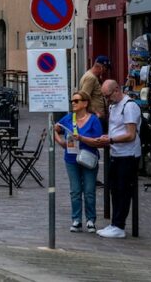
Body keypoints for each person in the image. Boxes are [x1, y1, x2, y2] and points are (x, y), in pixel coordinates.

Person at [53, 91, 104, 233]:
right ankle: (76, 220)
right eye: (72, 101)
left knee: (89, 191)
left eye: (76, 101)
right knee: (75, 190)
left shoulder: (93, 120)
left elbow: (98, 142)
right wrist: (61, 143)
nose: (73, 103)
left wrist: (81, 138)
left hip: (88, 158)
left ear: (85, 103)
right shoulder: (69, 118)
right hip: (71, 159)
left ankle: (90, 220)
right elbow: (55, 129)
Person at [96, 79, 141, 239]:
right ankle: (115, 223)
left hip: (128, 155)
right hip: (116, 153)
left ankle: (119, 225)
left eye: (108, 96)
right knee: (114, 189)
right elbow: (116, 128)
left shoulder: (129, 106)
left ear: (116, 90)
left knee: (123, 190)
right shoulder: (113, 106)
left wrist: (111, 140)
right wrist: (108, 137)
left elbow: (130, 134)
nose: (107, 99)